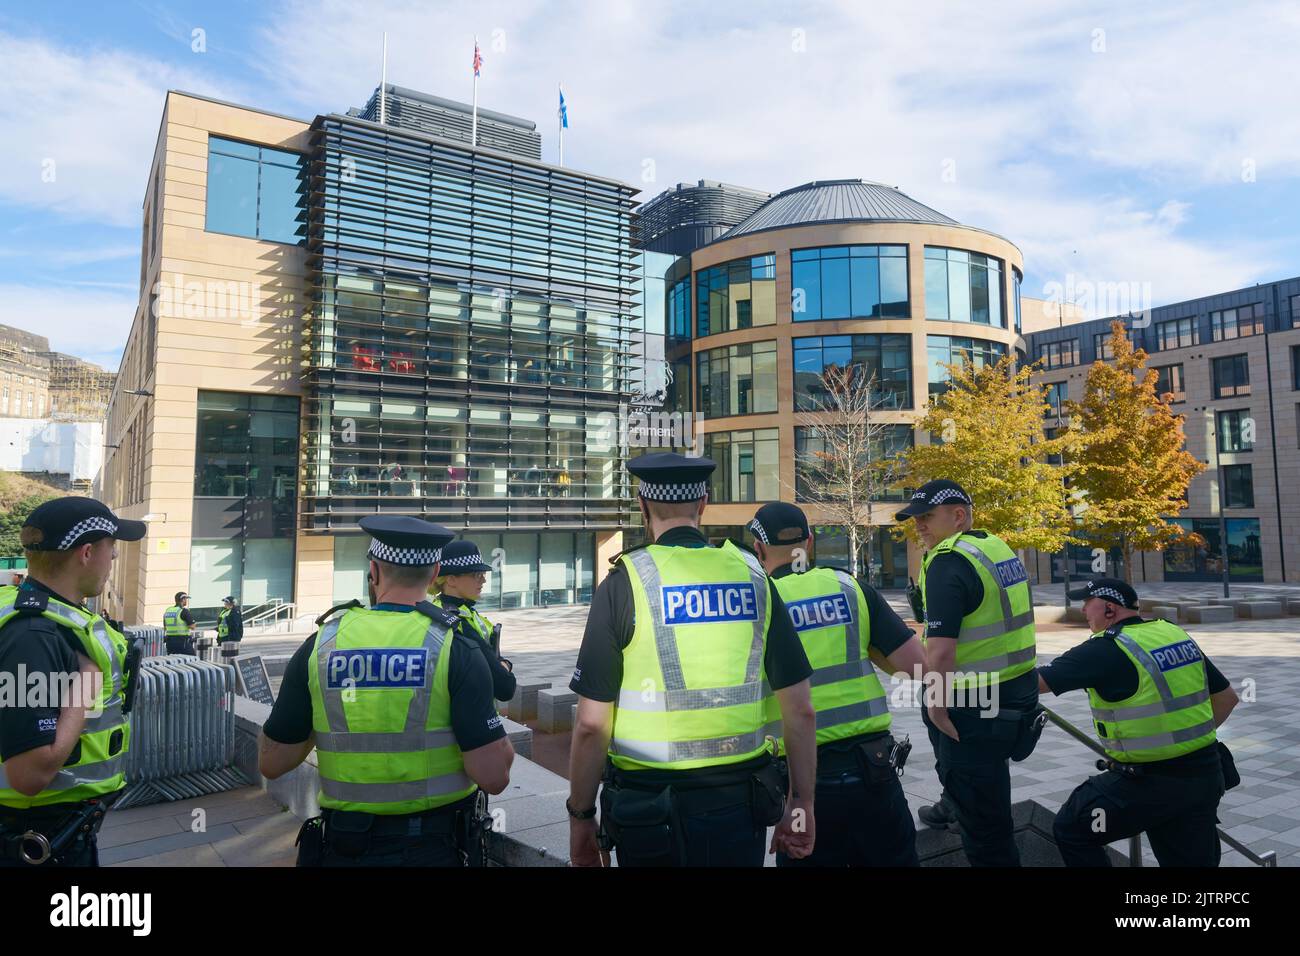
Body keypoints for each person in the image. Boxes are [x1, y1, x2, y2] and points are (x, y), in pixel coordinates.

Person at [567, 452, 818, 868]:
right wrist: (801, 803)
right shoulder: (754, 577)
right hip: (741, 806)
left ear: (643, 505)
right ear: (702, 504)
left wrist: (581, 817)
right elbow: (802, 711)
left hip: (649, 814)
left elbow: (591, 725)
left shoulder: (623, 583)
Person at [258, 515, 514, 867]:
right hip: (434, 849)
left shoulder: (321, 645)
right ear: (435, 570)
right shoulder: (455, 647)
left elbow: (272, 762)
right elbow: (494, 777)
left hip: (344, 848)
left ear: (374, 571)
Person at [750, 502, 924, 867]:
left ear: (758, 548)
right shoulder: (850, 588)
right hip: (873, 771)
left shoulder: (757, 603)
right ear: (809, 542)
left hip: (801, 784)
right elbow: (919, 668)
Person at [1039, 578, 1239, 866]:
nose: (1083, 610)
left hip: (1148, 784)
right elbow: (1227, 698)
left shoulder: (1106, 648)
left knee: (1073, 828)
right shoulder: (1171, 633)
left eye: (1087, 602)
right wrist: (1182, 741)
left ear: (1110, 608)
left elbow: (1034, 683)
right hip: (1205, 774)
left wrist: (960, 684)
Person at [895, 479, 1041, 867]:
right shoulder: (993, 546)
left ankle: (966, 813)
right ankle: (952, 802)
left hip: (972, 704)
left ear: (958, 515)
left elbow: (941, 651)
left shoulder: (948, 561)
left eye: (927, 517)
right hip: (1015, 693)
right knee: (984, 787)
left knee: (985, 828)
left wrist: (938, 707)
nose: (919, 526)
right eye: (915, 519)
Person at [0, 497, 144, 867]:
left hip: (58, 830)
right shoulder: (33, 635)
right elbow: (29, 773)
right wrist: (86, 685)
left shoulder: (53, 618)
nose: (113, 559)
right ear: (86, 552)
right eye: (112, 548)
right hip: (35, 841)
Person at [431, 540, 516, 704]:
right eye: (476, 574)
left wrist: (500, 664)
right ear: (451, 580)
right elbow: (505, 687)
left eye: (483, 574)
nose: (483, 580)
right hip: (469, 718)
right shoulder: (456, 619)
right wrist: (505, 665)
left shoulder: (449, 610)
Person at [162, 591, 196, 655]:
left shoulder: (168, 611)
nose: (186, 601)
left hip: (170, 642)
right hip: (182, 642)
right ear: (183, 599)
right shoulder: (184, 611)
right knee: (192, 659)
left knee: (172, 661)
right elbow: (192, 627)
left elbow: (165, 627)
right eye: (186, 599)